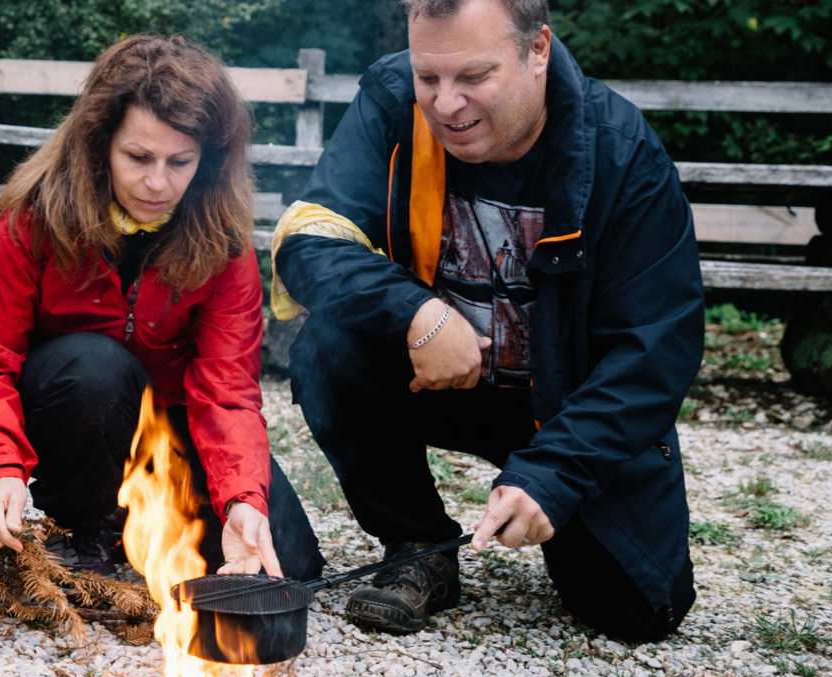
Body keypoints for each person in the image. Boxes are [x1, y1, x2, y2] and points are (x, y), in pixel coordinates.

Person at [272, 0, 703, 641]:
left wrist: (554, 474)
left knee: (635, 614)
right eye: (430, 78)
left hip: (565, 403)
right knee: (326, 348)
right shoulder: (391, 103)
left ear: (537, 51)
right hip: (435, 380)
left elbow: (655, 349)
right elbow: (308, 241)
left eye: (473, 77)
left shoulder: (621, 153)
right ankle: (418, 543)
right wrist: (416, 311)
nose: (446, 104)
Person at [0, 35, 324, 581]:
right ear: (100, 144)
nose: (157, 183)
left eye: (180, 162)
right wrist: (2, 469)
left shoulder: (224, 245)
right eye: (138, 157)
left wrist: (242, 499)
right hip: (72, 414)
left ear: (209, 160)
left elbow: (227, 391)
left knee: (283, 563)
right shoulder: (26, 224)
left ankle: (145, 528)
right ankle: (86, 527)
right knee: (92, 366)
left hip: (169, 423)